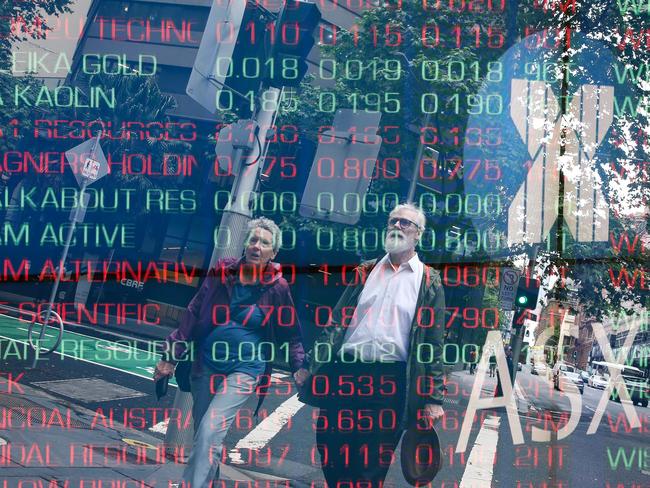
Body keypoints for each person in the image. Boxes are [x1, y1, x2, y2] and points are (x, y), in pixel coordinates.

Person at [153, 217, 309, 487]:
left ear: (274, 253)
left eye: (264, 243)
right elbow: (193, 312)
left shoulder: (277, 287)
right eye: (253, 240)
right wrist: (169, 357)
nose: (257, 246)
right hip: (205, 365)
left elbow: (291, 332)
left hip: (246, 369)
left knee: (210, 432)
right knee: (204, 436)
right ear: (245, 244)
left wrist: (299, 367)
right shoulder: (222, 274)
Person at [301, 203, 446, 488]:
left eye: (405, 223)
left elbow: (433, 344)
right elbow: (336, 323)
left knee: (371, 462)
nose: (397, 226)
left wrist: (434, 398)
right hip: (344, 373)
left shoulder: (428, 281)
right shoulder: (365, 271)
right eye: (393, 221)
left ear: (418, 235)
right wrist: (310, 364)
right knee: (330, 446)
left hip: (388, 382)